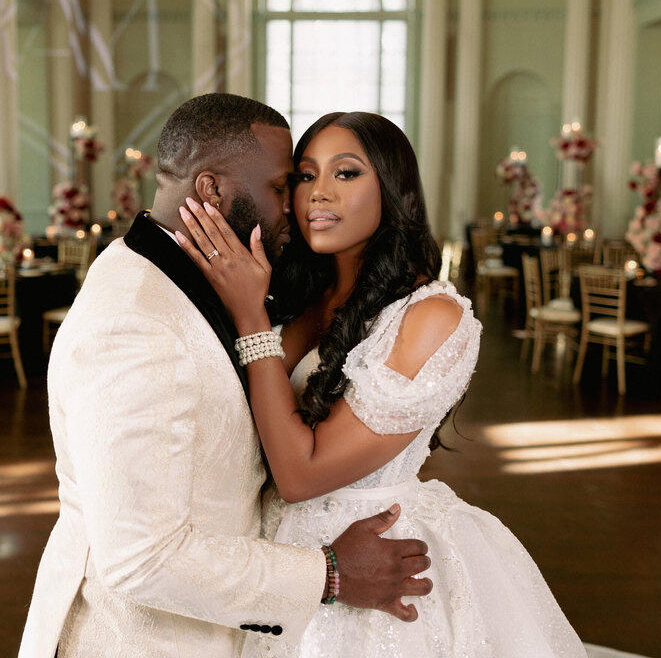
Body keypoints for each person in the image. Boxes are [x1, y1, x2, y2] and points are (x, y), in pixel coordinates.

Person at [18, 95, 433, 658]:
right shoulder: (135, 323)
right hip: (141, 641)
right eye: (285, 186)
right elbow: (141, 557)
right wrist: (329, 576)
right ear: (212, 190)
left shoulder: (196, 279)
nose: (298, 206)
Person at [176, 111, 587, 657]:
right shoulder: (305, 300)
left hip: (379, 563)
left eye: (346, 174)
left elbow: (302, 476)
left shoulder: (431, 317)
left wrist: (251, 318)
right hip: (282, 559)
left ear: (392, 190)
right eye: (304, 176)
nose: (318, 194)